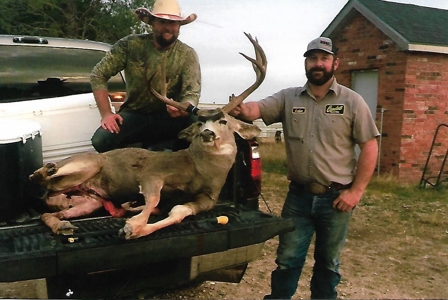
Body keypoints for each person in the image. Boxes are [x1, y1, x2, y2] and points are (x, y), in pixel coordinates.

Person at [231, 37, 379, 299]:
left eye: (324, 58)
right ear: (306, 63)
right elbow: (256, 109)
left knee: (328, 263)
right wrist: (241, 109)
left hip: (336, 199)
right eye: (312, 58)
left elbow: (369, 146)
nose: (318, 63)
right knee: (287, 260)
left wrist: (356, 191)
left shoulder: (352, 101)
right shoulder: (289, 98)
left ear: (335, 63)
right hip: (298, 197)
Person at [90, 0, 201, 153]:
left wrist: (183, 107)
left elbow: (191, 93)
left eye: (173, 23)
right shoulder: (130, 45)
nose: (168, 27)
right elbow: (98, 75)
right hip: (135, 114)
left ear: (179, 26)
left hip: (169, 118)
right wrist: (106, 113)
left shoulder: (187, 54)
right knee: (101, 140)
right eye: (162, 22)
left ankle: (180, 169)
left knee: (197, 127)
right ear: (152, 23)